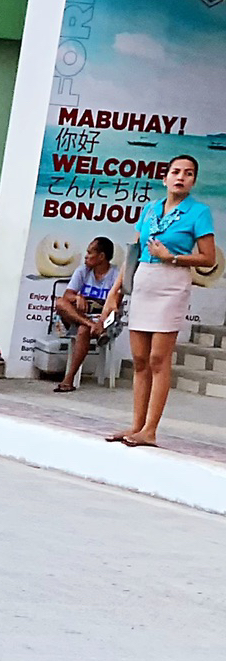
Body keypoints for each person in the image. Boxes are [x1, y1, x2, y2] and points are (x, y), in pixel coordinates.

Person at [109, 153, 217, 447]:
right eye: (176, 172)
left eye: (189, 173)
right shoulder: (150, 208)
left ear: (193, 181)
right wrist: (115, 291)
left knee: (159, 358)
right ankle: (136, 425)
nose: (181, 177)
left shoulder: (199, 212)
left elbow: (208, 258)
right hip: (144, 279)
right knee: (140, 359)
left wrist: (174, 257)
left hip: (172, 282)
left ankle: (151, 430)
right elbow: (133, 251)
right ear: (165, 177)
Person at [51, 236, 121, 392]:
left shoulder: (115, 274)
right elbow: (67, 294)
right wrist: (77, 297)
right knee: (61, 303)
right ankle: (89, 324)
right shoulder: (83, 271)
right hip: (83, 318)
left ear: (101, 257)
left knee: (83, 330)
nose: (86, 256)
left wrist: (101, 321)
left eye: (90, 253)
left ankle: (68, 379)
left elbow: (115, 302)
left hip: (104, 322)